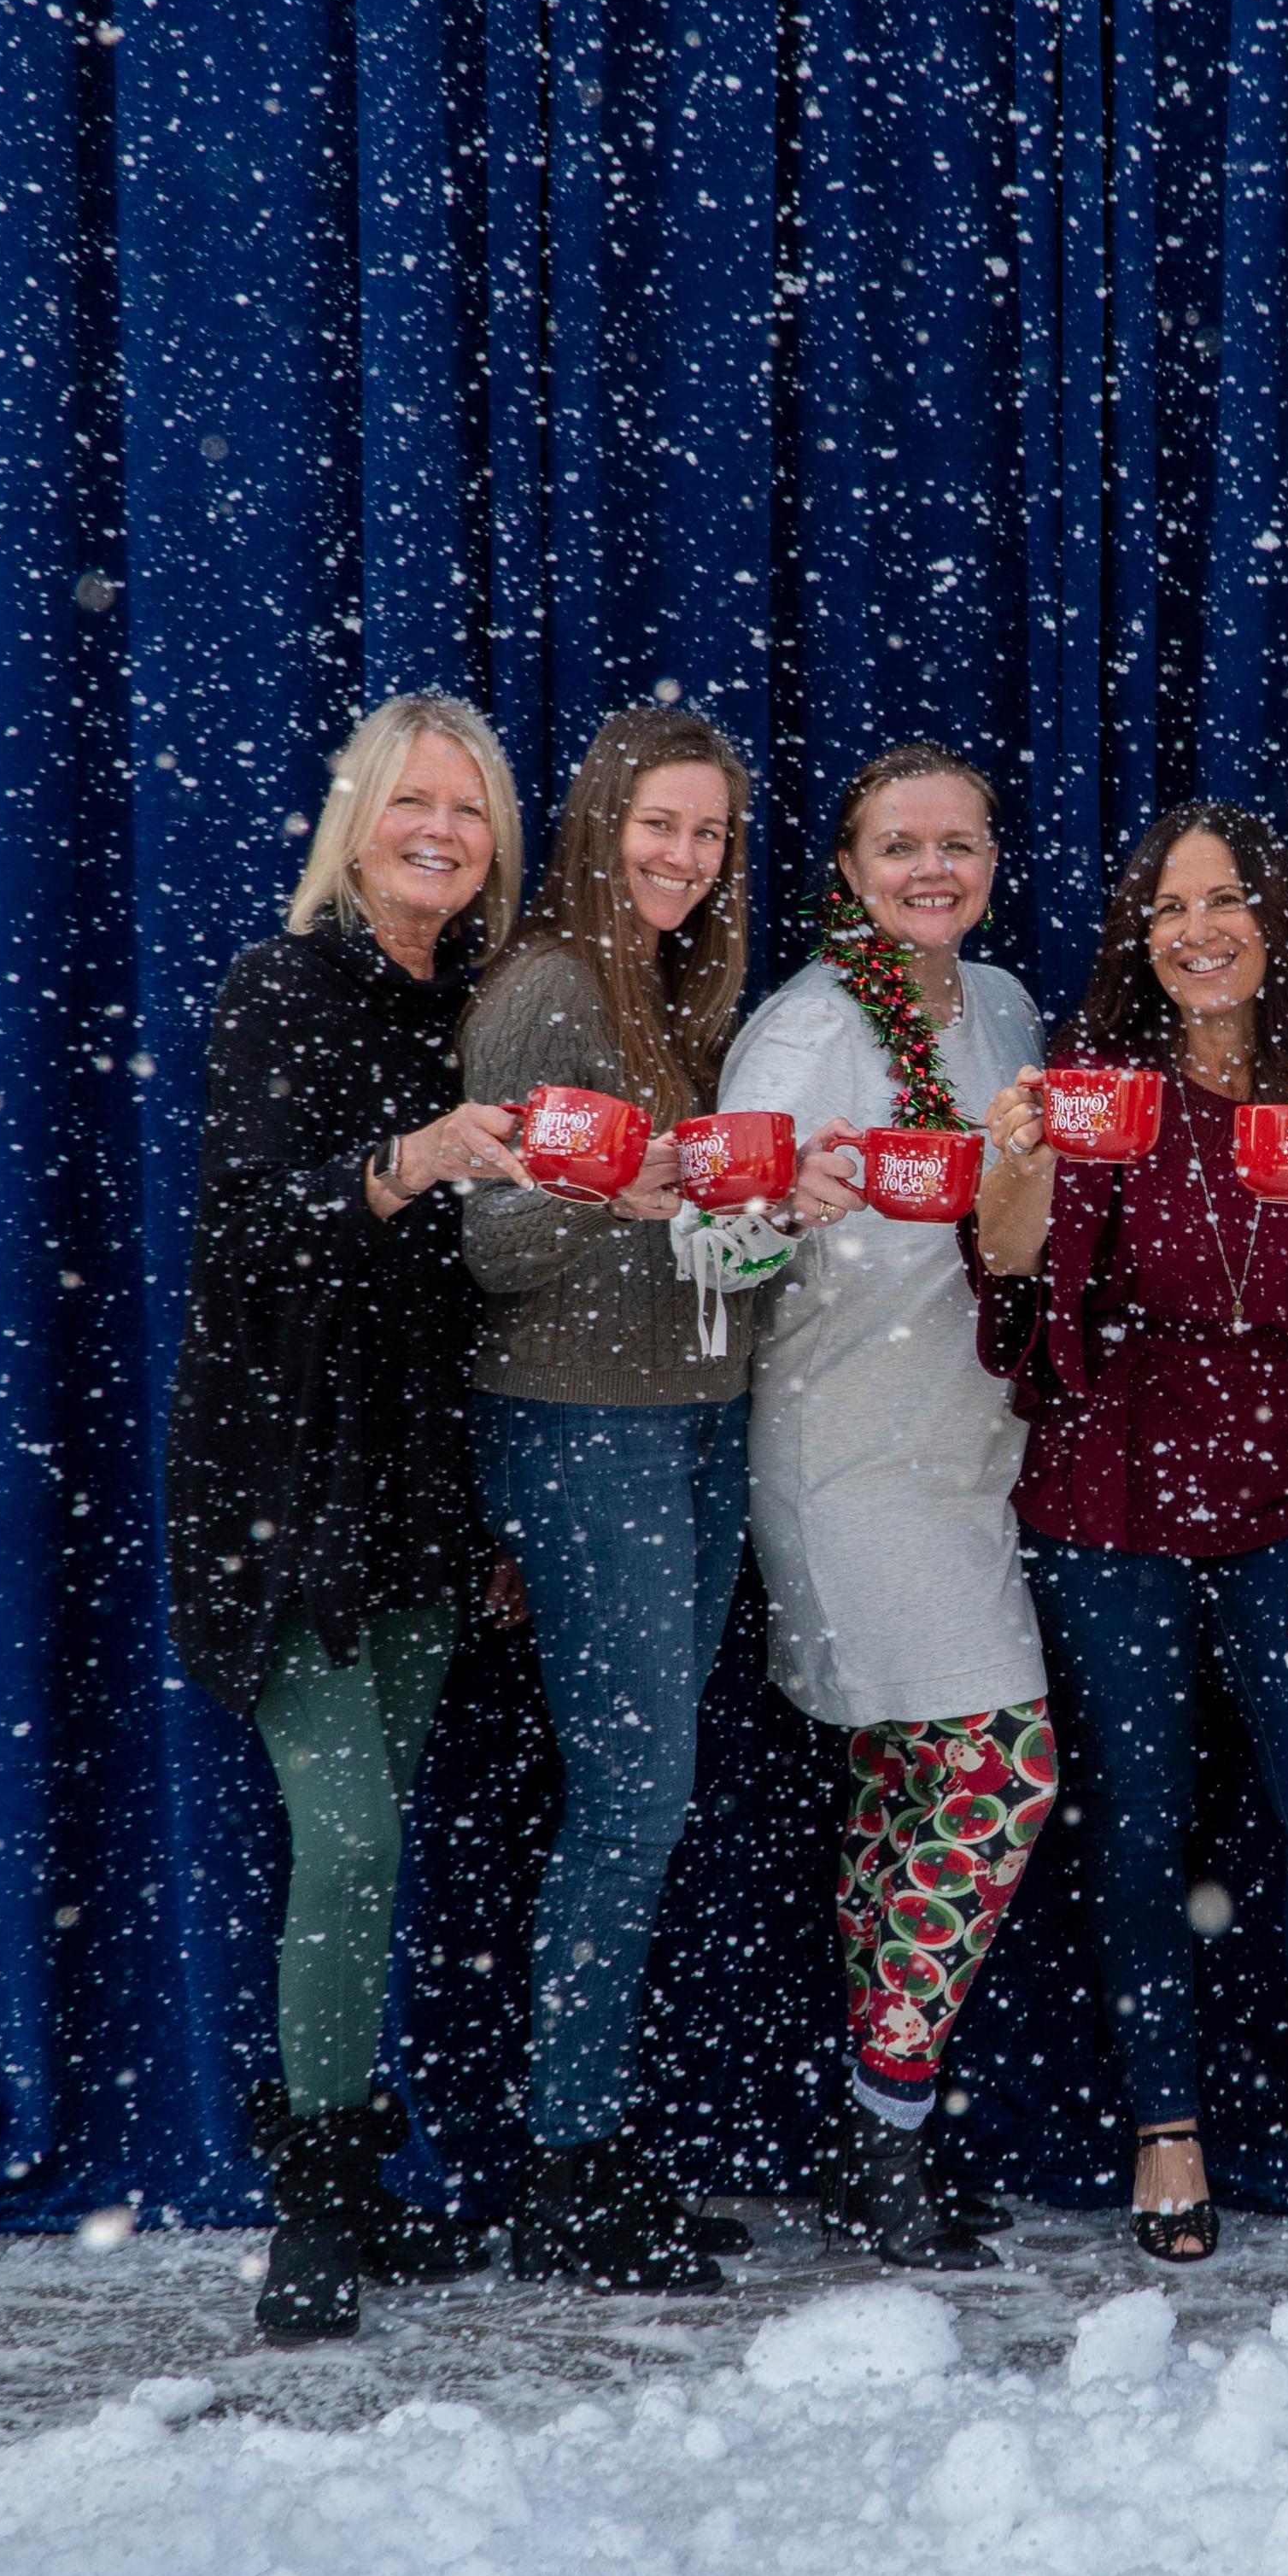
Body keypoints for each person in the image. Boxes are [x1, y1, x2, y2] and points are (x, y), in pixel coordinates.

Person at [972, 804, 1288, 2264]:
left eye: (1227, 898)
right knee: (1138, 1824)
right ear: (1140, 937)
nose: (1198, 928)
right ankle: (1163, 2127)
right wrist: (1016, 1154)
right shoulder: (1097, 1085)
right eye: (1169, 906)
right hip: (1109, 1493)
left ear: (1272, 920)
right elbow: (1007, 1271)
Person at [164, 689, 534, 2344]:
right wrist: (409, 1161)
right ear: (359, 820)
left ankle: (358, 2177)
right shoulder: (283, 987)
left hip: (415, 1495)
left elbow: (461, 1308)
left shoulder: (471, 1008)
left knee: (374, 1856)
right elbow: (248, 1236)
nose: (440, 832)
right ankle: (310, 2203)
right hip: (283, 1495)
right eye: (414, 805)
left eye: (469, 812)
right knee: (353, 1836)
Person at [456, 704, 793, 2294]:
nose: (682, 856)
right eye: (658, 825)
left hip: (692, 1426)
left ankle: (594, 2136)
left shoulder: (672, 990)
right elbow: (490, 1246)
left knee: (643, 1796)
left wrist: (747, 1218)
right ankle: (565, 2162)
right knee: (631, 1797)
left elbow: (668, 1230)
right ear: (603, 826)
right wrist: (642, 1200)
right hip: (585, 1435)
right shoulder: (544, 991)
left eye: (709, 832)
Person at [721, 742, 1063, 2268]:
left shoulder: (1001, 1010)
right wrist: (766, 1213)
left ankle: (885, 2130)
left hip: (971, 1452)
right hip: (847, 1460)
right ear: (848, 868)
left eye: (960, 844)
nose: (934, 868)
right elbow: (709, 1266)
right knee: (1001, 1774)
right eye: (900, 846)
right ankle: (885, 2124)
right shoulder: (802, 1033)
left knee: (910, 1797)